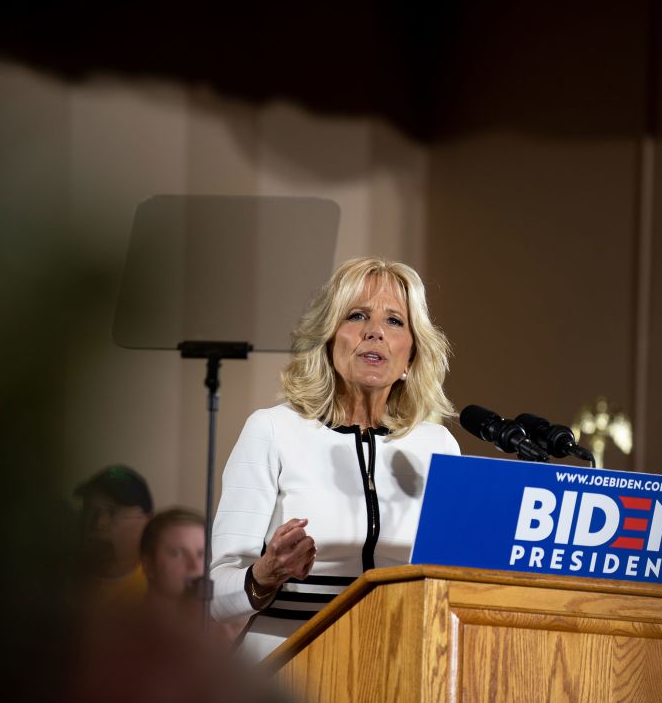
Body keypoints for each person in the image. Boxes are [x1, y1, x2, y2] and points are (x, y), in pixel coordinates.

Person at [210, 257, 460, 661]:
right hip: (286, 667)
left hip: (400, 665)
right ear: (328, 340)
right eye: (357, 315)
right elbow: (215, 597)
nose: (374, 332)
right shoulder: (272, 430)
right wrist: (266, 574)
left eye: (395, 321)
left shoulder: (438, 446)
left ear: (411, 355)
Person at [74, 464, 154, 605]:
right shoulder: (60, 586)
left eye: (113, 512)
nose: (99, 523)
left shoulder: (161, 590)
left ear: (147, 522)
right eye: (90, 510)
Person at [140, 507, 206, 618]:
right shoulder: (124, 630)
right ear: (149, 565)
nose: (194, 565)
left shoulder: (222, 627)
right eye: (177, 553)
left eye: (201, 554)